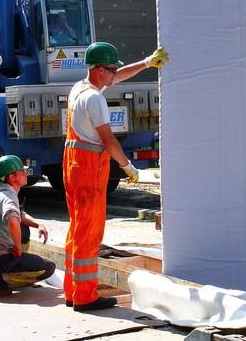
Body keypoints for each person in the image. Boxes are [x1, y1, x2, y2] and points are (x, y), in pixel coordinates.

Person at [63, 41, 169, 312]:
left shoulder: (80, 88)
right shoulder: (95, 99)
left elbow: (119, 76)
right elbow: (108, 140)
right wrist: (128, 167)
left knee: (77, 229)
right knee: (89, 233)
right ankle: (85, 297)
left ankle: (73, 292)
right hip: (89, 169)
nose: (115, 74)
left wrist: (146, 63)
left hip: (74, 165)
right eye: (112, 69)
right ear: (99, 70)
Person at [0, 155, 55, 297]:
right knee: (48, 268)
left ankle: (15, 265)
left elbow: (19, 215)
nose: (26, 173)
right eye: (22, 171)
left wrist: (39, 224)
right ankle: (0, 280)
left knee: (24, 228)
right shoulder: (8, 197)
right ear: (12, 177)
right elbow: (13, 221)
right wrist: (17, 248)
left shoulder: (2, 191)